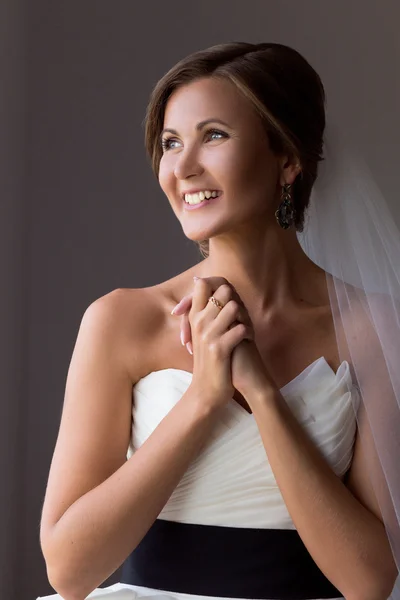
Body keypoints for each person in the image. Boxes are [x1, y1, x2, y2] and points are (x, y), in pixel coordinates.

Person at [37, 42, 399, 600]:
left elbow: (370, 581)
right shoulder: (120, 321)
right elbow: (69, 571)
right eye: (170, 143)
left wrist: (261, 391)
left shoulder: (374, 326)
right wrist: (204, 397)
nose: (181, 168)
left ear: (287, 159)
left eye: (214, 135)